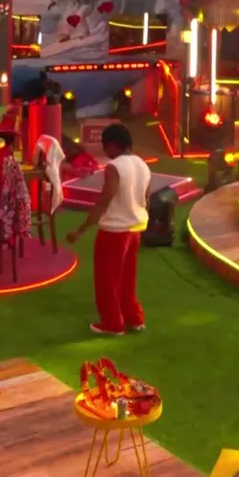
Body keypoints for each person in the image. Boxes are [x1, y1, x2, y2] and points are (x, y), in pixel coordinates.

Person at [66, 123, 150, 335]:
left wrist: (80, 230)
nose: (104, 151)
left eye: (105, 146)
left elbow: (104, 201)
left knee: (107, 279)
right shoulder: (142, 164)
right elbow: (146, 198)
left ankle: (113, 323)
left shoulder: (114, 167)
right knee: (127, 278)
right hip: (135, 229)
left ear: (112, 145)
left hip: (114, 231)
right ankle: (134, 318)